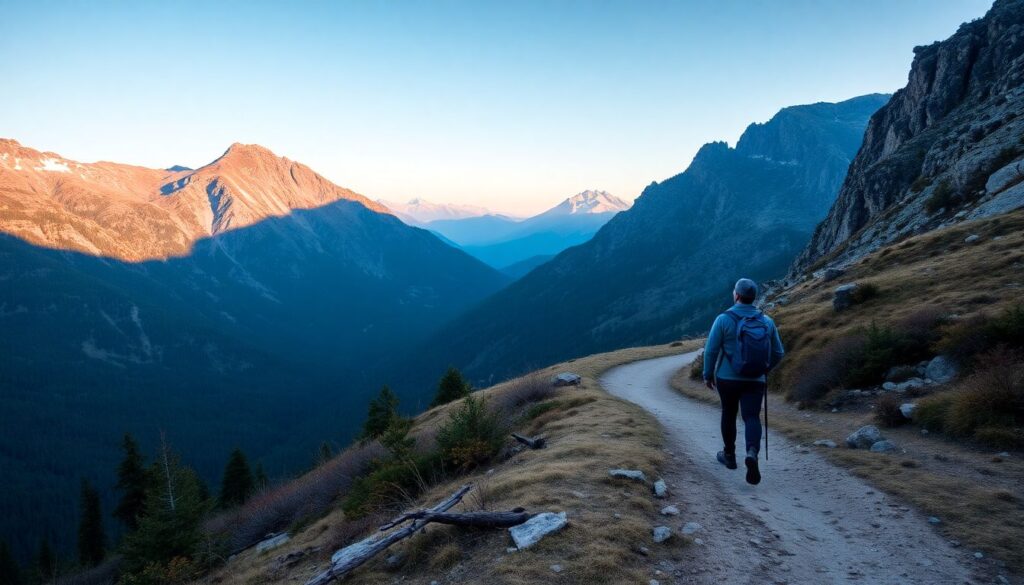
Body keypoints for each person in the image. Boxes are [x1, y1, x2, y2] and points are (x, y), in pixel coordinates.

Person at [702, 278, 784, 485]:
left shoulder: (723, 319)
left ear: (736, 295)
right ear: (753, 297)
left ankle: (729, 456)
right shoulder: (767, 321)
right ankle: (752, 452)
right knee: (751, 417)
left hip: (727, 378)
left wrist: (707, 374)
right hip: (755, 379)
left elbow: (711, 350)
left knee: (728, 414)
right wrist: (764, 369)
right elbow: (778, 352)